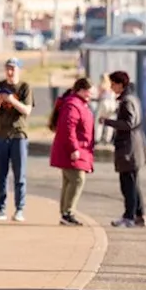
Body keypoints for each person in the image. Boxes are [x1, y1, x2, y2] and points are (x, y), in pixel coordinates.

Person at [0, 58, 34, 222]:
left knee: (19, 175)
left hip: (18, 135)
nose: (10, 71)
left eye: (13, 68)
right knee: (0, 174)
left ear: (18, 70)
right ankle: (0, 208)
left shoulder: (24, 87)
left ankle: (19, 209)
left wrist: (12, 100)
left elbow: (27, 110)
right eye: (7, 68)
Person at [102, 70, 146, 227]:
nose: (111, 87)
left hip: (128, 149)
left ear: (120, 84)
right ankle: (139, 216)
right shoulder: (131, 98)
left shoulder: (127, 101)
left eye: (113, 84)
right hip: (133, 148)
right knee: (133, 184)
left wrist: (108, 121)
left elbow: (129, 123)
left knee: (128, 184)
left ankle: (129, 217)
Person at [49, 77, 95, 226]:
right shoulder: (73, 105)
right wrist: (73, 148)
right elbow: (68, 128)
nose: (90, 94)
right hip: (73, 150)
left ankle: (65, 212)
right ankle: (68, 212)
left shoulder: (79, 104)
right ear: (81, 90)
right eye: (88, 91)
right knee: (77, 179)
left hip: (78, 149)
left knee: (69, 180)